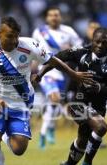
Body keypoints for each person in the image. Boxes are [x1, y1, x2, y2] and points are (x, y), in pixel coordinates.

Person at [0, 16, 93, 165]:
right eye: (9, 36)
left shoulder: (29, 45)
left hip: (21, 102)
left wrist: (73, 74)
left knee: (19, 149)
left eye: (16, 36)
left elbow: (53, 60)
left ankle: (6, 134)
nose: (14, 40)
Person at [36, 27, 107, 165]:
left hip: (98, 105)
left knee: (82, 140)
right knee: (101, 126)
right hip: (78, 102)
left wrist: (99, 88)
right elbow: (56, 59)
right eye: (96, 41)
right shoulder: (81, 52)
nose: (99, 45)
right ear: (92, 41)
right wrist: (40, 74)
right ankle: (87, 164)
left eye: (104, 42)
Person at [32, 7, 83, 149]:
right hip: (46, 70)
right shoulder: (39, 32)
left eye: (56, 15)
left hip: (63, 72)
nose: (54, 17)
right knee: (54, 98)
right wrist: (33, 68)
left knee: (56, 103)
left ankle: (48, 129)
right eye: (51, 15)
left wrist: (70, 49)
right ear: (47, 18)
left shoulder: (69, 31)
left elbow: (80, 48)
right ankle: (44, 133)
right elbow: (34, 51)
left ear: (60, 17)